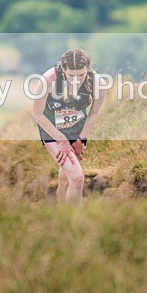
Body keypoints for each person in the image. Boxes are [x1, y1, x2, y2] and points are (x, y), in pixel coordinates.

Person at [31, 48, 107, 205]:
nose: (76, 79)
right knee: (77, 178)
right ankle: (73, 222)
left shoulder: (98, 82)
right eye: (71, 75)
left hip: (76, 129)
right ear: (63, 69)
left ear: (88, 69)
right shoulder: (48, 79)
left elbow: (94, 113)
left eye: (81, 75)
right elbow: (37, 113)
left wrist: (81, 139)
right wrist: (62, 140)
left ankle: (61, 220)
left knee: (66, 179)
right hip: (52, 130)